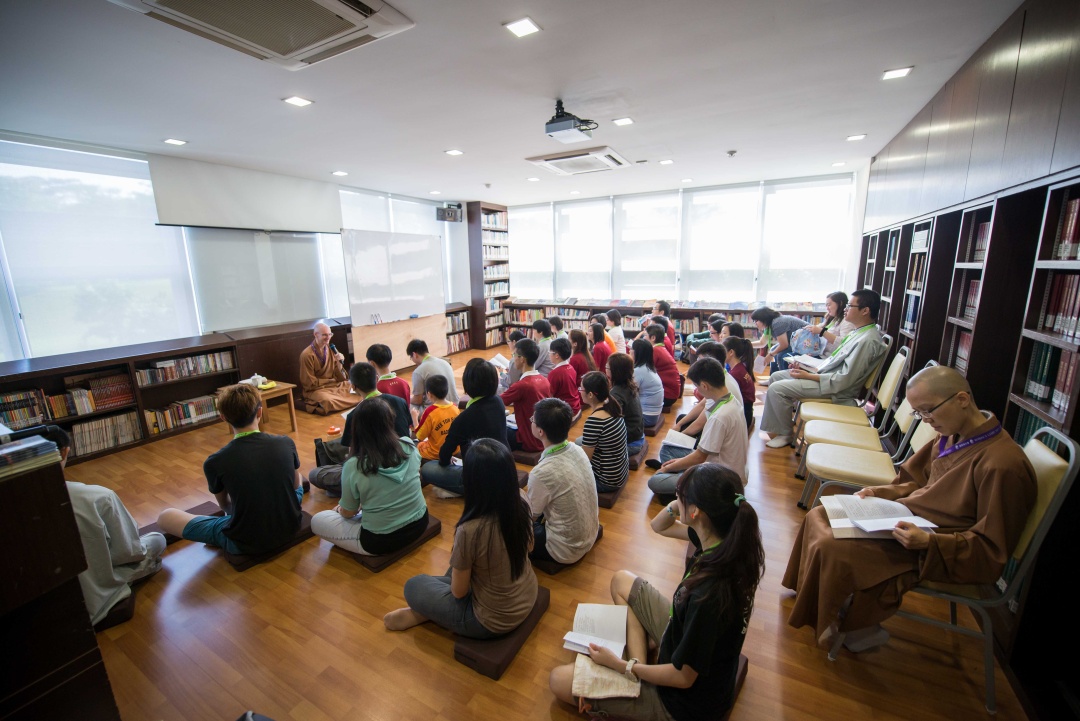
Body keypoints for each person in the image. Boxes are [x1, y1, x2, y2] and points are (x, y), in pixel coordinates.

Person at [782, 366, 1037, 652]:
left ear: (962, 399)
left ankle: (855, 624)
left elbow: (992, 548)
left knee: (834, 545)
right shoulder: (953, 433)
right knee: (821, 514)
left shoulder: (1002, 465)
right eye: (919, 414)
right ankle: (823, 598)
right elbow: (915, 480)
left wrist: (928, 541)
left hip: (940, 542)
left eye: (928, 411)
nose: (926, 421)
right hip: (910, 518)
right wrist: (880, 493)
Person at [549, 464, 764, 721]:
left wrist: (619, 665)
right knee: (621, 580)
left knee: (558, 680)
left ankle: (631, 675)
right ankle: (637, 668)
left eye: (681, 495)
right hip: (679, 638)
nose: (676, 497)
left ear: (696, 512)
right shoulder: (723, 538)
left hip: (684, 703)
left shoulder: (708, 595)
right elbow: (658, 525)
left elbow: (683, 678)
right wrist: (677, 505)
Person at [384, 439, 538, 638]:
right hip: (528, 593)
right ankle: (431, 611)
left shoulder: (470, 529)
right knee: (459, 566)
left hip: (492, 620)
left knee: (414, 585)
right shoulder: (521, 498)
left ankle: (423, 613)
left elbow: (458, 593)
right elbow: (530, 547)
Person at [158, 383, 303, 555]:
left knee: (165, 517)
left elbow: (226, 505)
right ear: (260, 412)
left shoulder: (214, 462)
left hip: (243, 540)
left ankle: (223, 534)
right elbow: (296, 486)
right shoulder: (286, 443)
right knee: (298, 479)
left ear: (223, 418)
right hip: (291, 526)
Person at [49, 427, 166, 626]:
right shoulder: (98, 497)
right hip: (93, 594)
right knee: (157, 539)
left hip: (45, 603)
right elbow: (129, 553)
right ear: (64, 452)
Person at [761, 289, 888, 449]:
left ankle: (785, 434)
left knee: (777, 389)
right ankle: (780, 425)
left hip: (836, 389)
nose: (846, 309)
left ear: (865, 311)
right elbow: (836, 361)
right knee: (776, 377)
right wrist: (807, 367)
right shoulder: (858, 332)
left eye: (850, 305)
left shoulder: (867, 341)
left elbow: (845, 380)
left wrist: (808, 376)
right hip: (827, 376)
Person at [311, 397, 429, 555]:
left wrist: (340, 509)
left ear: (357, 428)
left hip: (379, 541)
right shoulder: (409, 445)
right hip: (420, 523)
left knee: (318, 520)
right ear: (390, 422)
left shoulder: (354, 465)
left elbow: (349, 512)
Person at [647, 358, 748, 497]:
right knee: (668, 451)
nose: (697, 390)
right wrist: (678, 463)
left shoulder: (719, 417)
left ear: (705, 386)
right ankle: (680, 480)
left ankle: (682, 487)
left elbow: (700, 457)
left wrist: (667, 469)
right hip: (722, 467)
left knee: (654, 482)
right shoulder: (731, 400)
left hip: (721, 480)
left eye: (697, 386)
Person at [309, 362, 412, 497]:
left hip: (373, 470)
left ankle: (350, 489)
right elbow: (408, 433)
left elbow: (352, 455)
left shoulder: (355, 414)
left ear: (353, 386)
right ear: (377, 378)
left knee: (315, 474)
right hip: (404, 462)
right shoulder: (400, 402)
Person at [421, 358, 509, 498]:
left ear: (467, 383)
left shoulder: (465, 417)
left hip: (479, 479)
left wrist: (446, 461)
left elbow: (444, 455)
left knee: (427, 469)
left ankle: (461, 490)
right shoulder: (498, 402)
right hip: (505, 469)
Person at [527, 398, 599, 564]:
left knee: (511, 527)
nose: (531, 421)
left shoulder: (541, 473)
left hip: (565, 549)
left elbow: (530, 517)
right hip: (590, 534)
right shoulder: (577, 449)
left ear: (540, 431)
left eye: (533, 420)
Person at [668, 341, 744, 440]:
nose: (697, 363)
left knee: (683, 433)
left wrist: (677, 437)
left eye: (700, 360)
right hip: (721, 423)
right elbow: (702, 404)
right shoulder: (720, 376)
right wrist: (679, 425)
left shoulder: (721, 386)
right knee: (681, 420)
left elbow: (699, 424)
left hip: (724, 431)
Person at [579, 371, 629, 493]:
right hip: (620, 473)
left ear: (590, 394)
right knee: (578, 442)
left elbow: (585, 459)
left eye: (581, 389)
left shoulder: (594, 420)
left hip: (606, 481)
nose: (579, 391)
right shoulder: (612, 406)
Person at [500, 338, 552, 453]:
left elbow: (497, 402)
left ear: (522, 359)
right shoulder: (544, 380)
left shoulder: (522, 385)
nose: (513, 358)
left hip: (527, 441)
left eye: (514, 355)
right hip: (542, 438)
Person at [299, 321, 358, 415]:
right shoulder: (307, 355)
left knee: (357, 388)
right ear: (316, 334)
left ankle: (339, 400)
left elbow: (339, 376)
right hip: (317, 389)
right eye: (324, 335)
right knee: (328, 401)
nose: (328, 337)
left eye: (330, 334)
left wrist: (339, 363)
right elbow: (309, 383)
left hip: (335, 385)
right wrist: (330, 381)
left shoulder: (331, 349)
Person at [414, 374, 460, 462]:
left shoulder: (430, 411)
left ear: (429, 394)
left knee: (417, 446)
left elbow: (419, 436)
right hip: (454, 449)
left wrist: (414, 418)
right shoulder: (455, 408)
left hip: (435, 453)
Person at [407, 339, 459, 415]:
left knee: (406, 406)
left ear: (414, 354)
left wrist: (408, 398)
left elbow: (418, 400)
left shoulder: (418, 371)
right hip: (454, 405)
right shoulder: (445, 362)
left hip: (436, 410)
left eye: (411, 357)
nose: (412, 360)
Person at [750, 307, 808, 374]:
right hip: (795, 342)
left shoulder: (777, 323)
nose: (755, 323)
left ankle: (781, 377)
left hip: (806, 343)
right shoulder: (769, 326)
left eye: (756, 320)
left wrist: (770, 355)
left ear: (763, 319)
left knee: (780, 355)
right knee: (773, 349)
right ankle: (773, 377)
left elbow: (784, 345)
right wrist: (746, 344)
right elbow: (762, 343)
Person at [608, 352, 645, 453]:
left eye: (607, 368)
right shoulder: (629, 385)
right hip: (637, 436)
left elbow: (610, 424)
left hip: (630, 443)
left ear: (615, 372)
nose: (605, 369)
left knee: (581, 442)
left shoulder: (616, 394)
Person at [806, 291, 856, 356]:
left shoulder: (847, 322)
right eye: (826, 305)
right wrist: (811, 328)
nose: (827, 308)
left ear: (840, 303)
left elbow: (844, 344)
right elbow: (822, 325)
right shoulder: (833, 318)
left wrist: (822, 332)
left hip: (828, 357)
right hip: (820, 353)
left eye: (829, 305)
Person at [723, 336, 757, 430]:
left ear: (731, 352)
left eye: (722, 350)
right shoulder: (740, 368)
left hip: (743, 416)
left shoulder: (735, 374)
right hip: (747, 412)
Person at [646, 324, 682, 409]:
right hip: (670, 393)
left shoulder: (655, 350)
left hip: (667, 395)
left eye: (645, 335)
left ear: (653, 338)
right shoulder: (659, 348)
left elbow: (645, 370)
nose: (644, 338)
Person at [632, 338, 665, 428]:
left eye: (631, 349)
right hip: (653, 414)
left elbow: (629, 395)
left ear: (636, 353)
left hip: (647, 417)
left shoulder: (638, 371)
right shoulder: (648, 367)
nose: (630, 352)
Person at [547, 337, 582, 416]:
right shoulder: (571, 367)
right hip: (575, 405)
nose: (549, 354)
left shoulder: (555, 373)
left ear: (557, 355)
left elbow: (549, 396)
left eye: (550, 352)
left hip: (565, 411)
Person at [498, 330, 527, 394]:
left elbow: (511, 383)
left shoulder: (515, 360)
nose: (508, 344)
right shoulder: (525, 354)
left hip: (516, 390)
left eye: (508, 341)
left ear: (514, 342)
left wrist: (502, 373)